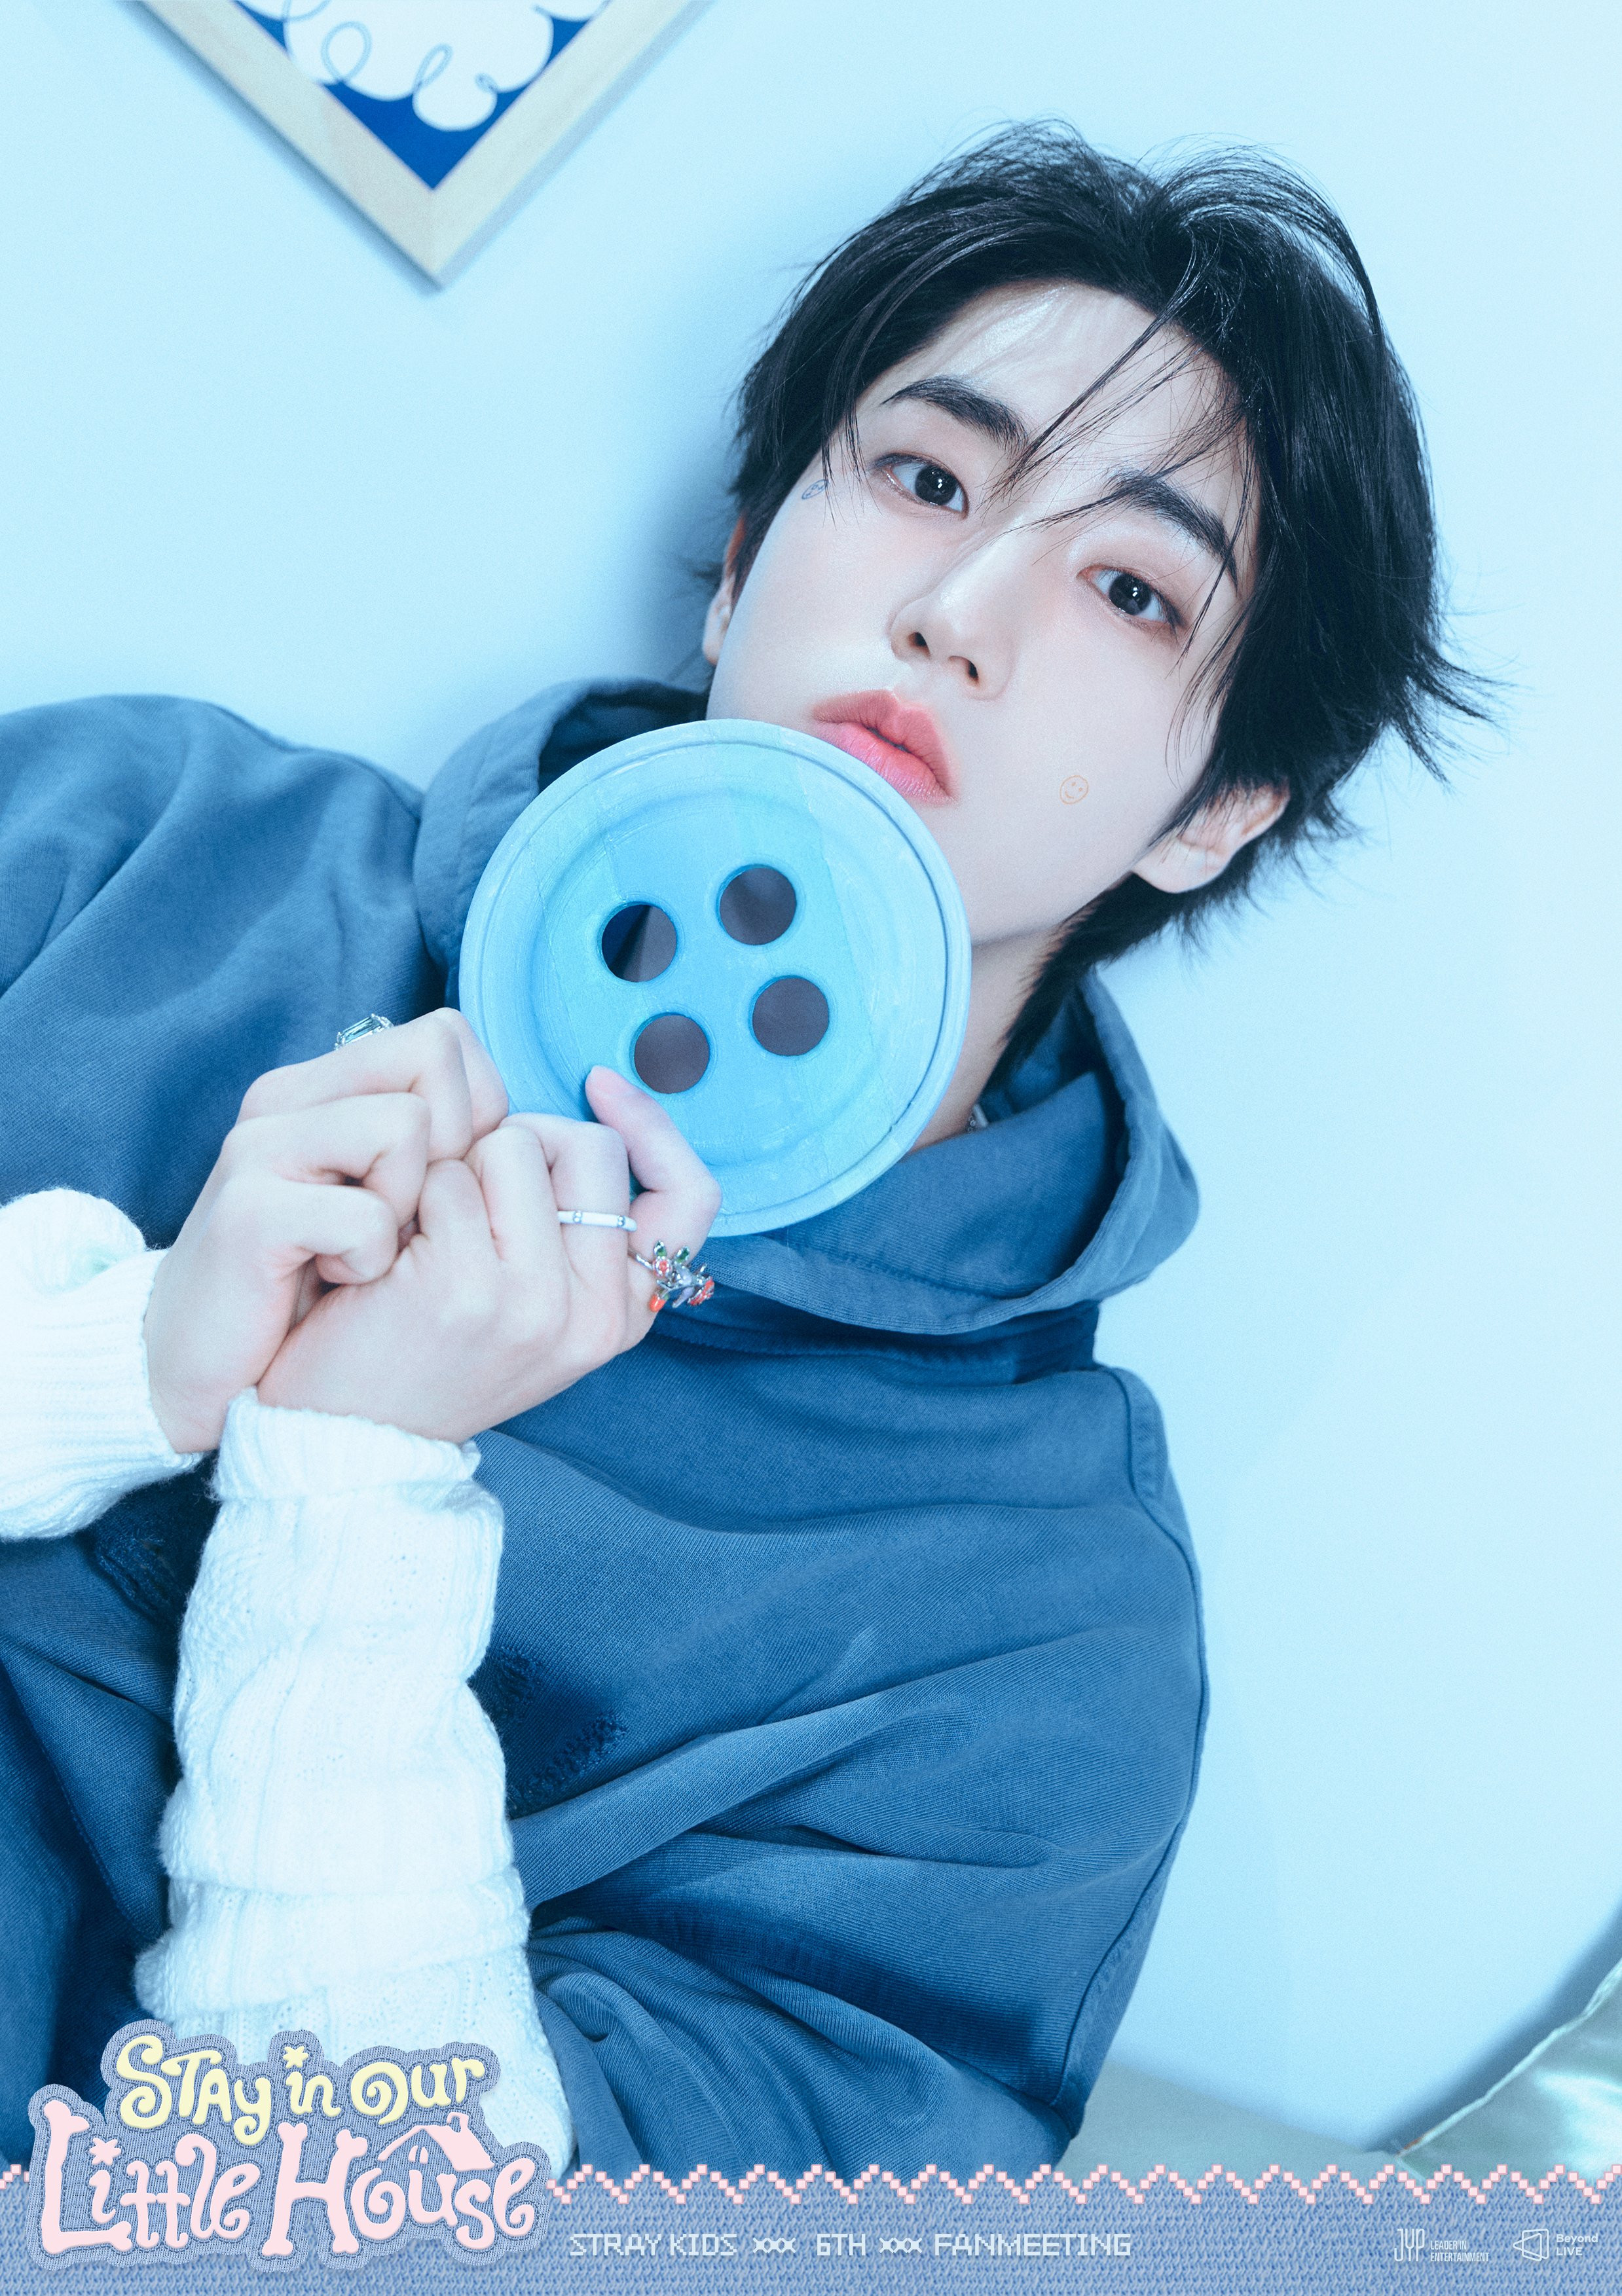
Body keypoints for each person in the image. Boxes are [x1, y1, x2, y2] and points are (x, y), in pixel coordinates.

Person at [0, 126, 1478, 2178]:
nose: (958, 609)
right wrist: (124, 1359)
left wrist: (349, 1488)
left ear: (1215, 809)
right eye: (928, 479)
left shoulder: (1039, 1636)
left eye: (1133, 588)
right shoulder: (123, 838)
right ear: (741, 555)